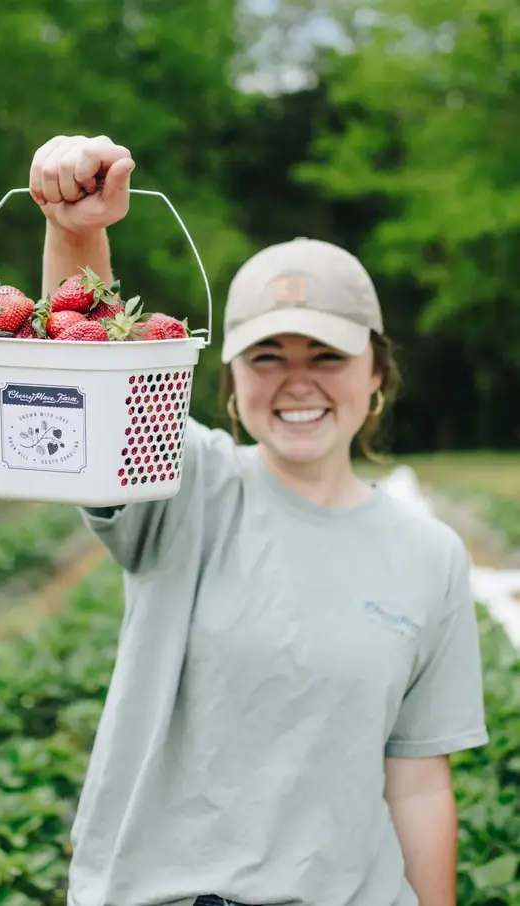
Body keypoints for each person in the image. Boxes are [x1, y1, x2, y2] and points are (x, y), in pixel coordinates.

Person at [29, 135, 489, 906]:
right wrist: (77, 231)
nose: (296, 382)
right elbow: (90, 370)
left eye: (327, 356)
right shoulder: (187, 482)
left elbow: (414, 783)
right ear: (231, 378)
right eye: (267, 356)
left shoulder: (429, 555)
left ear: (376, 374)